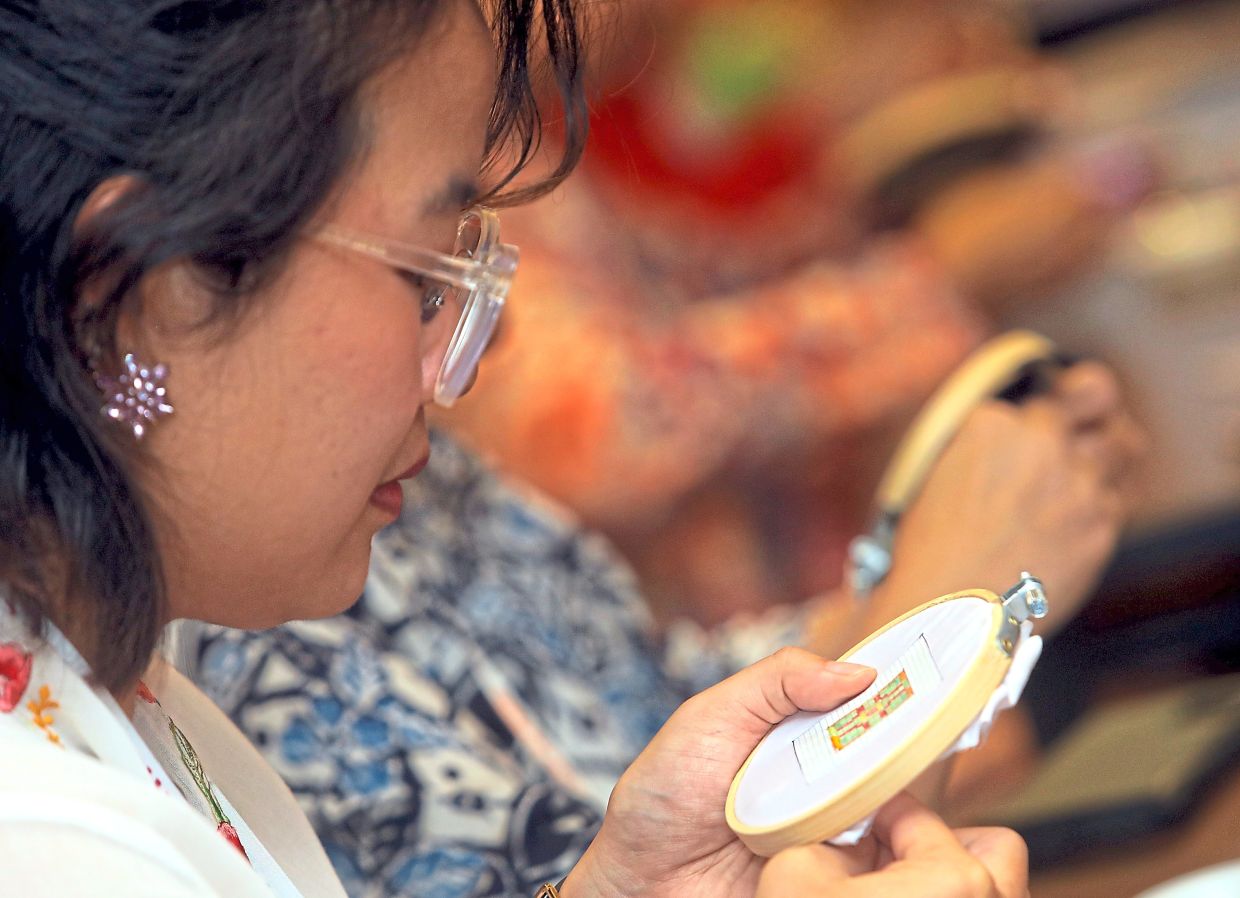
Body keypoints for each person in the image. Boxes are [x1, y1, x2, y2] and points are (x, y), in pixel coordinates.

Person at [0, 1, 1029, 897]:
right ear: (130, 298)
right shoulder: (46, 841)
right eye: (424, 274)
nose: (469, 366)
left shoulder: (125, 672)